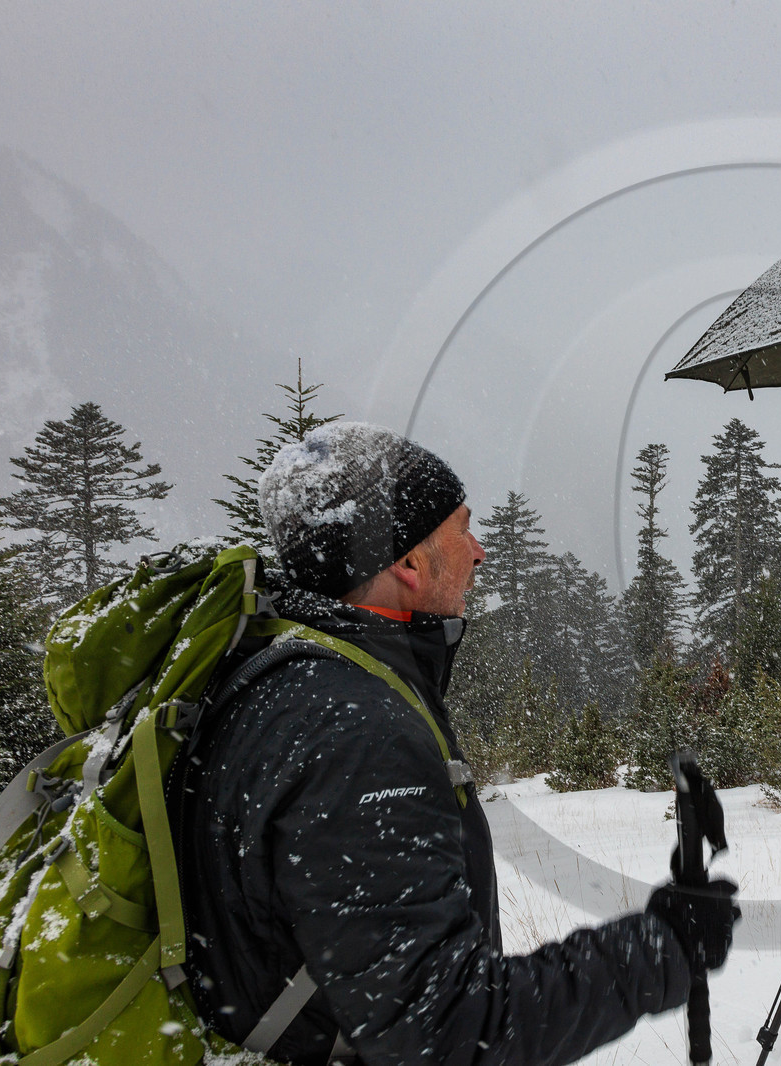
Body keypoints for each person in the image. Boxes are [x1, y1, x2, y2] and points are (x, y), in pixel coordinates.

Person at [177, 422, 738, 1065]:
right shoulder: (357, 735)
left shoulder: (278, 679)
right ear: (408, 561)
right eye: (462, 527)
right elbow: (443, 1031)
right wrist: (660, 951)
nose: (479, 551)